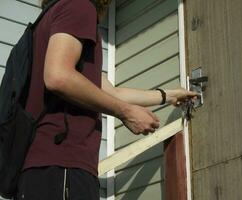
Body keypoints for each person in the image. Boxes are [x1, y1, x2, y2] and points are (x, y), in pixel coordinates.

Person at [15, 0, 198, 199]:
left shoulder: (51, 23)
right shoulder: (78, 6)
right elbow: (58, 77)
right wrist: (125, 112)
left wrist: (168, 95)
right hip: (62, 166)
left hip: (42, 171)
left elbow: (113, 93)